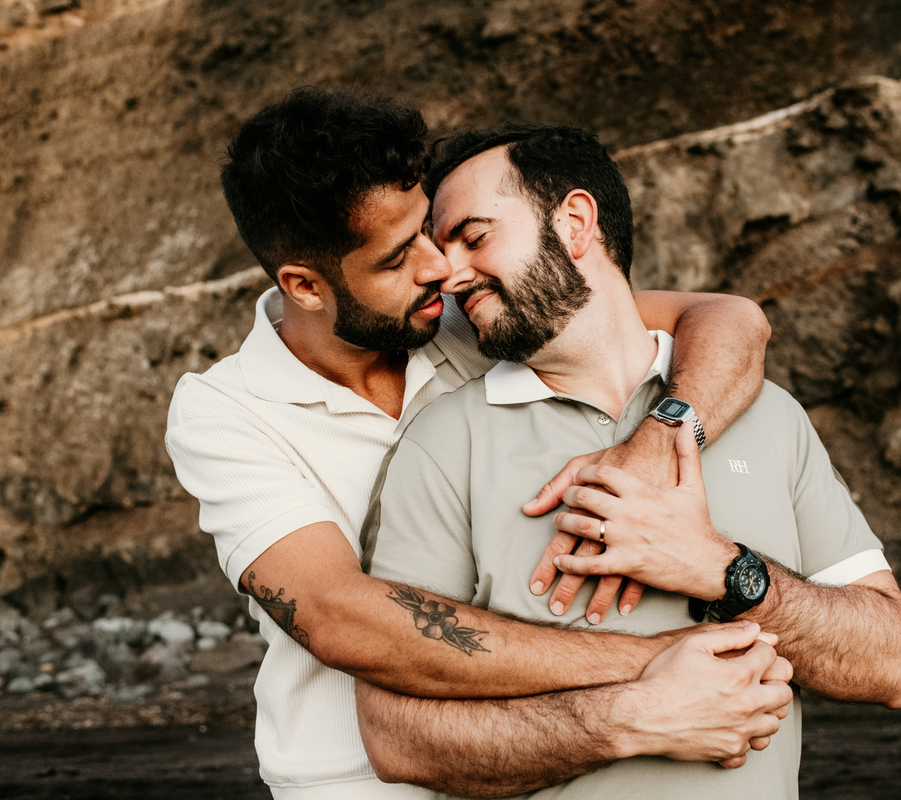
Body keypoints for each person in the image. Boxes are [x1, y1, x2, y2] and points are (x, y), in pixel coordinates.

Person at [165, 86, 791, 800]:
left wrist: (656, 443)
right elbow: (343, 617)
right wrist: (651, 664)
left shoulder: (473, 322)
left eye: (430, 230)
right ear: (306, 285)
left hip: (528, 765)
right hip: (354, 784)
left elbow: (729, 319)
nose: (440, 267)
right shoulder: (225, 412)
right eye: (399, 257)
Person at [359, 123, 901, 798]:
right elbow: (397, 736)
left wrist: (719, 568)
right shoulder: (444, 444)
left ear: (574, 223)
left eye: (474, 237)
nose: (448, 274)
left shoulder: (768, 413)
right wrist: (629, 720)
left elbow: (892, 664)